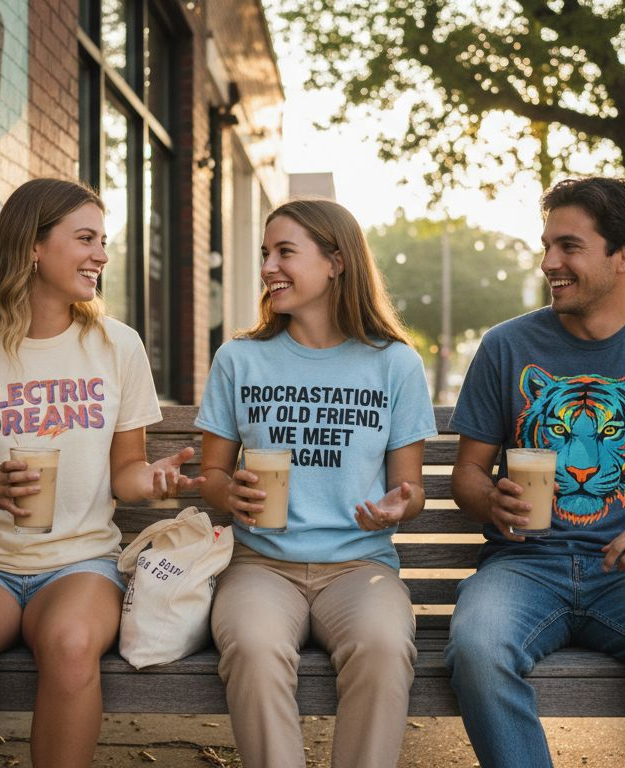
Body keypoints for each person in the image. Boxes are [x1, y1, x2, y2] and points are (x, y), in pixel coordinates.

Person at [0, 178, 203, 768]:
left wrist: (154, 481)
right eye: (86, 238)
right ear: (33, 247)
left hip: (79, 563)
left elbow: (125, 473)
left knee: (70, 646)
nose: (102, 254)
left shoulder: (116, 345)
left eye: (103, 240)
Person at [445, 176, 625, 767]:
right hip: (523, 566)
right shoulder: (505, 346)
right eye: (547, 245)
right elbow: (467, 474)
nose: (549, 262)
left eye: (569, 247)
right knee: (477, 649)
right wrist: (490, 500)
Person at [196, 199, 438, 768]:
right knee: (254, 648)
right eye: (264, 254)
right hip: (260, 565)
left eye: (285, 252)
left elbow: (412, 489)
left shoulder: (394, 364)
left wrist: (399, 506)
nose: (267, 267)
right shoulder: (239, 359)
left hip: (360, 568)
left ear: (336, 262)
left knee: (383, 648)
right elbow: (210, 476)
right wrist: (225, 492)